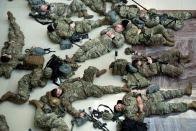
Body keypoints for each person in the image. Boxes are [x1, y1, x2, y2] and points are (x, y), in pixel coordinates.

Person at [38, 66, 130, 119]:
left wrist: (77, 78)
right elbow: (70, 108)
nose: (59, 91)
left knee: (90, 69)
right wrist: (78, 114)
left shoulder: (62, 85)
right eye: (58, 93)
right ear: (58, 96)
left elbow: (70, 80)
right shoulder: (64, 99)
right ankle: (122, 89)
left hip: (84, 81)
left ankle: (97, 73)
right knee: (105, 89)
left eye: (58, 90)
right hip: (87, 90)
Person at [114, 83, 196, 122]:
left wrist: (138, 98)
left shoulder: (125, 97)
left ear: (119, 103)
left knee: (168, 93)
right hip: (151, 109)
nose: (119, 107)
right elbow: (139, 119)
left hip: (150, 97)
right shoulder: (128, 115)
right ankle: (190, 105)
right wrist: (141, 110)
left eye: (118, 105)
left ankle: (186, 91)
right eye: (118, 109)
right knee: (170, 107)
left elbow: (134, 93)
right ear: (120, 111)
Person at [0, 11, 25, 79]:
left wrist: (7, 44)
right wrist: (31, 50)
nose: (6, 53)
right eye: (7, 55)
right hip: (19, 41)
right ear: (9, 58)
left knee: (11, 32)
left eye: (5, 54)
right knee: (16, 29)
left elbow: (4, 49)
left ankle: (11, 20)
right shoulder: (13, 62)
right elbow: (8, 76)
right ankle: (12, 20)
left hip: (12, 40)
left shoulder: (3, 56)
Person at [28, 0, 93, 21]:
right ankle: (84, 13)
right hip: (67, 12)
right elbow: (59, 18)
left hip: (68, 7)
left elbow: (60, 4)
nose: (45, 7)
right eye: (43, 8)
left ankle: (81, 12)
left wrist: (67, 6)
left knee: (78, 2)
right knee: (76, 1)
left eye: (44, 6)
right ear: (43, 11)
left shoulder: (49, 4)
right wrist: (65, 13)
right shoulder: (50, 14)